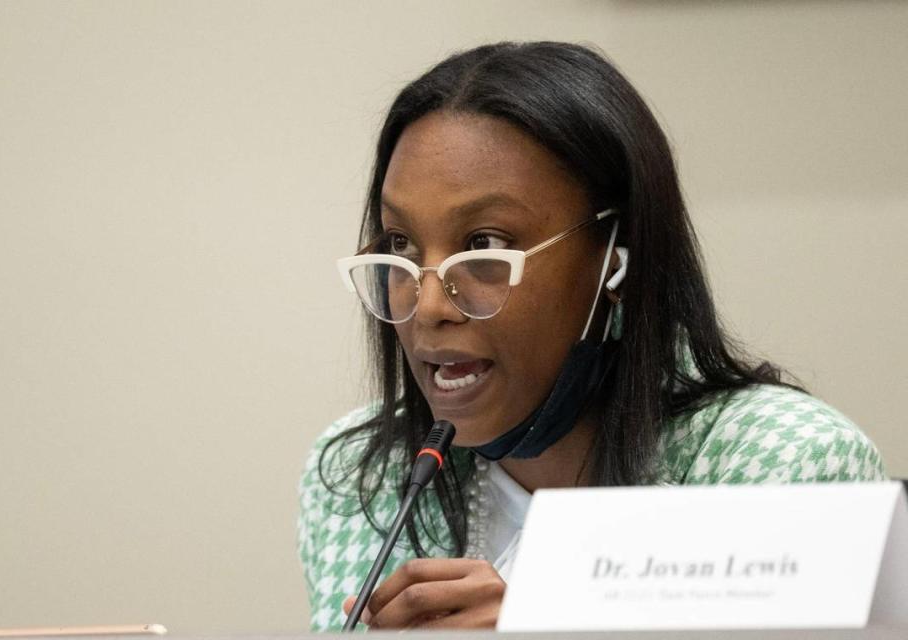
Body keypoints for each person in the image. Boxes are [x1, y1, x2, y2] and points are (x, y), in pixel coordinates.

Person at [297, 41, 886, 632]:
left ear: (616, 259)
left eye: (485, 246)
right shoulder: (360, 472)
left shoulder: (779, 464)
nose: (426, 306)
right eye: (400, 245)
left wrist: (556, 624)